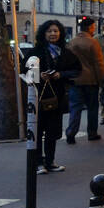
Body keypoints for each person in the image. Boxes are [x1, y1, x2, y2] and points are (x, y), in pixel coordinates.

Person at [29, 19, 82, 173]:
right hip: (39, 97)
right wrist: (40, 75)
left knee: (53, 131)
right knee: (38, 131)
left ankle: (50, 161)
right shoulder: (36, 51)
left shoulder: (66, 52)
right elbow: (26, 71)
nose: (53, 34)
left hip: (57, 97)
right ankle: (38, 162)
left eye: (56, 31)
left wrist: (61, 74)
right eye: (49, 31)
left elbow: (76, 70)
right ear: (44, 33)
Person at [66, 16, 104, 145]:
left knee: (75, 108)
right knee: (92, 108)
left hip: (75, 80)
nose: (94, 29)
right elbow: (98, 63)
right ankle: (92, 133)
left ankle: (71, 133)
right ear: (89, 28)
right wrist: (103, 81)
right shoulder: (93, 42)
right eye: (93, 27)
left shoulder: (72, 42)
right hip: (90, 80)